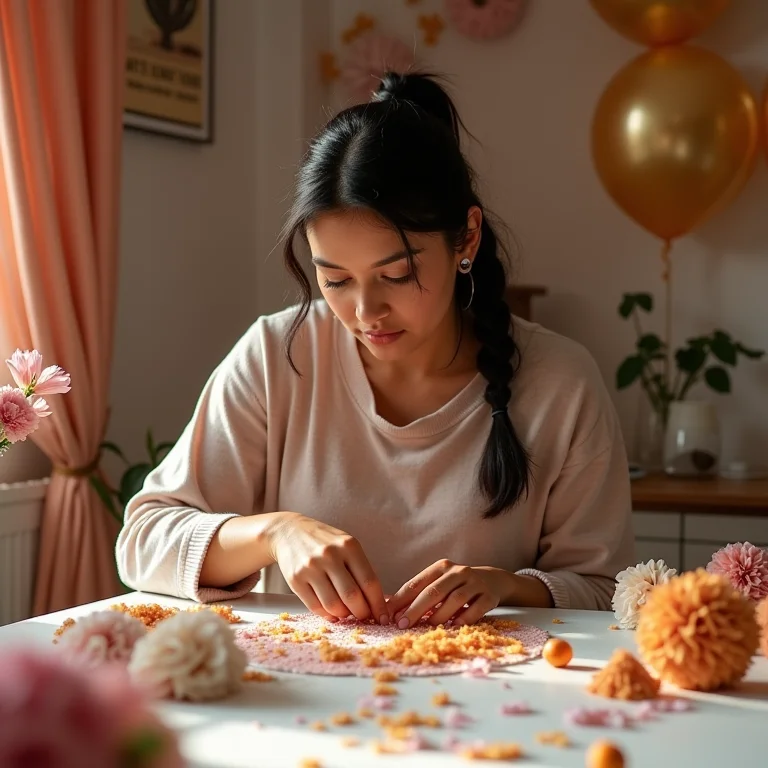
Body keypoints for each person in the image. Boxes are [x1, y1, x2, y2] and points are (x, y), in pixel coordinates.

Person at [116, 72, 634, 630]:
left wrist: (506, 587)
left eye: (397, 274)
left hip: (489, 697)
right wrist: (276, 533)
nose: (366, 312)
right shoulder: (276, 355)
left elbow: (609, 589)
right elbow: (143, 539)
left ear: (467, 237)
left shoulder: (560, 381)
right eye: (335, 280)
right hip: (301, 694)